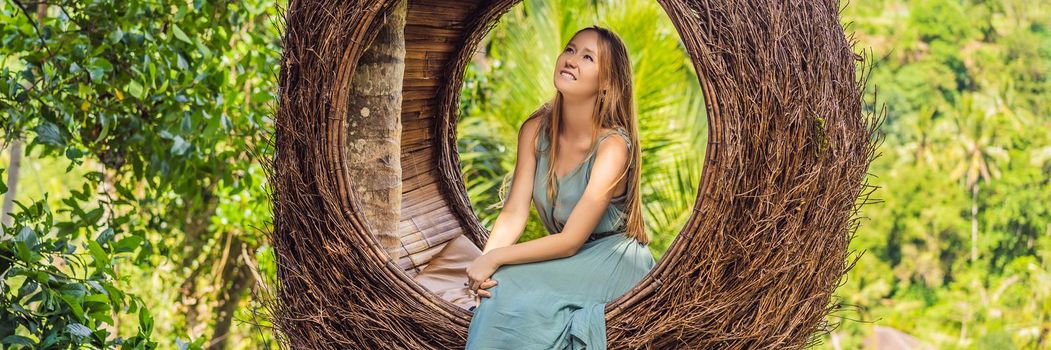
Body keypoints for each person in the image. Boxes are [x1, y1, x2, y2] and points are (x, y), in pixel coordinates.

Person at [463, 25, 656, 350]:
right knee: (498, 286)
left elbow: (569, 241)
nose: (571, 60)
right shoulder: (535, 129)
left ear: (607, 83)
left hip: (613, 260)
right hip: (572, 256)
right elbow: (513, 212)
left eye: (588, 57)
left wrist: (496, 259)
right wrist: (483, 266)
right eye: (570, 49)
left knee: (509, 284)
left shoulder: (613, 147)